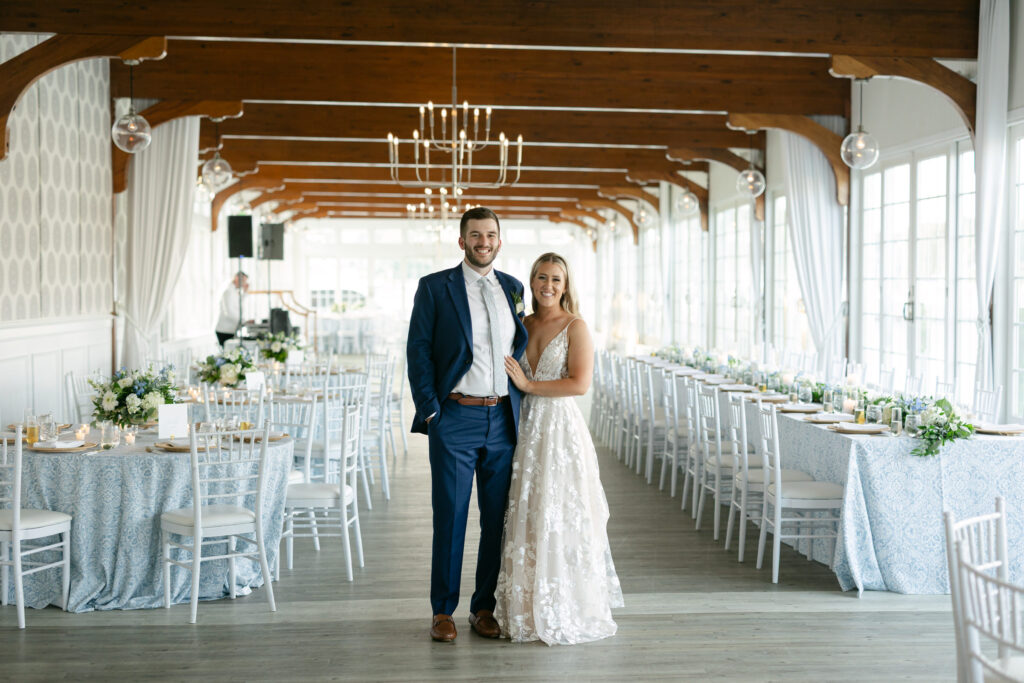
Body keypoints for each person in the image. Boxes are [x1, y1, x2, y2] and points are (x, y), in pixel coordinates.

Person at [406, 207, 528, 643]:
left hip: (502, 419)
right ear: (462, 241)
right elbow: (418, 350)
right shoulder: (435, 287)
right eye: (475, 235)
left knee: (496, 520)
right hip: (454, 416)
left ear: (499, 240)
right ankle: (443, 610)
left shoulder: (513, 288)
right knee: (451, 516)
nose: (483, 242)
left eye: (490, 234)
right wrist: (431, 409)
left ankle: (483, 607)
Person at [495, 252, 623, 645]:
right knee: (528, 514)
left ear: (565, 286)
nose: (547, 286)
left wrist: (530, 386)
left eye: (555, 279)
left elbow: (579, 383)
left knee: (559, 514)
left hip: (559, 431)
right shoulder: (522, 324)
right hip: (524, 427)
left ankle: (563, 605)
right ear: (530, 282)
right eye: (541, 278)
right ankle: (526, 607)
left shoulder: (575, 326)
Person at [215, 271, 249, 347]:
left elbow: (238, 304)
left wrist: (245, 293)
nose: (244, 284)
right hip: (224, 330)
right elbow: (229, 313)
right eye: (244, 281)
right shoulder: (228, 292)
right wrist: (244, 321)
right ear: (236, 279)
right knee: (228, 354)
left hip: (231, 329)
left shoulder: (234, 291)